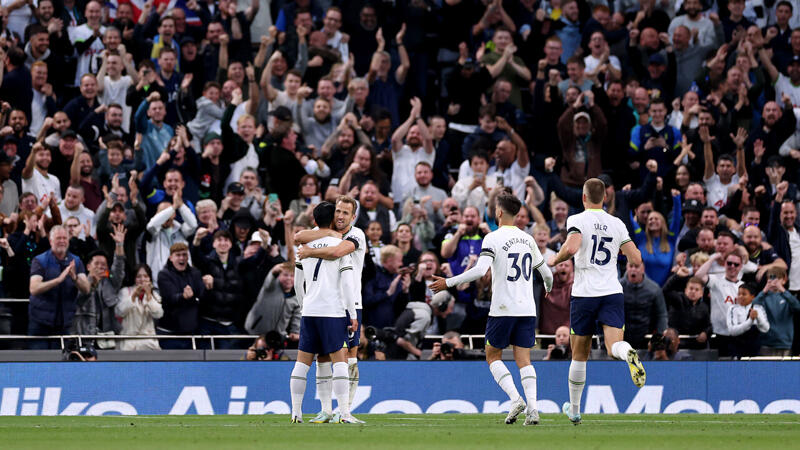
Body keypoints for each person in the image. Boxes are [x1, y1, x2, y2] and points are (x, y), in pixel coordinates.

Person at [432, 192, 553, 426]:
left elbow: (479, 271)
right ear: (517, 213)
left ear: (498, 212)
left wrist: (448, 282)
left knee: (492, 355)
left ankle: (515, 398)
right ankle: (534, 409)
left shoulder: (493, 239)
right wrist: (547, 286)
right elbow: (546, 273)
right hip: (527, 309)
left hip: (503, 308)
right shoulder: (528, 239)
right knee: (524, 360)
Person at [547, 177, 646, 425]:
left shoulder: (577, 220)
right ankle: (628, 353)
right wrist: (620, 249)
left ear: (583, 197)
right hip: (612, 292)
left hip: (584, 295)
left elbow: (571, 248)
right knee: (614, 347)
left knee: (579, 355)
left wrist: (554, 260)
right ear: (605, 198)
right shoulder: (616, 223)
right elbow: (636, 259)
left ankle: (575, 410)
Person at [294, 196, 367, 423]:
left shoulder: (357, 234)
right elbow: (298, 236)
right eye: (338, 211)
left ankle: (344, 409)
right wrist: (326, 235)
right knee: (323, 357)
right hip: (327, 304)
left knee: (349, 357)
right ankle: (327, 409)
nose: (341, 216)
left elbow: (337, 252)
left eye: (346, 213)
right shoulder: (326, 232)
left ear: (353, 217)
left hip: (351, 301)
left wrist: (308, 252)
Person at [28, 225, 91, 349]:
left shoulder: (76, 261)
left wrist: (75, 278)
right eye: (58, 238)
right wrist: (58, 280)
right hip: (40, 323)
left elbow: (86, 289)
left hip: (64, 324)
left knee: (61, 363)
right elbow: (34, 288)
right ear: (51, 241)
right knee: (39, 360)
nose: (62, 241)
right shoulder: (40, 261)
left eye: (64, 238)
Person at [753, 266, 800, 356]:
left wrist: (782, 289)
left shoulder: (788, 297)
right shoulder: (763, 297)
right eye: (771, 277)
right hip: (766, 343)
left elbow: (797, 306)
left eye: (777, 278)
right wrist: (765, 289)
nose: (774, 281)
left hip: (785, 343)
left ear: (784, 280)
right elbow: (754, 305)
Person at [115, 264, 163, 350]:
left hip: (149, 343)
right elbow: (119, 312)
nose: (142, 280)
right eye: (139, 277)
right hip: (129, 342)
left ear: (150, 278)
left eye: (145, 276)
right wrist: (133, 297)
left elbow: (158, 314)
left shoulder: (154, 295)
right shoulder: (125, 291)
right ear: (134, 278)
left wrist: (149, 297)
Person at [727, 283, 770, 357]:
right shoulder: (733, 309)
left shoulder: (758, 308)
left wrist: (758, 318)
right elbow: (732, 331)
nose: (740, 296)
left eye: (744, 294)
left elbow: (766, 329)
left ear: (752, 297)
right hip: (737, 349)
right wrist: (750, 321)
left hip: (754, 349)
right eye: (739, 294)